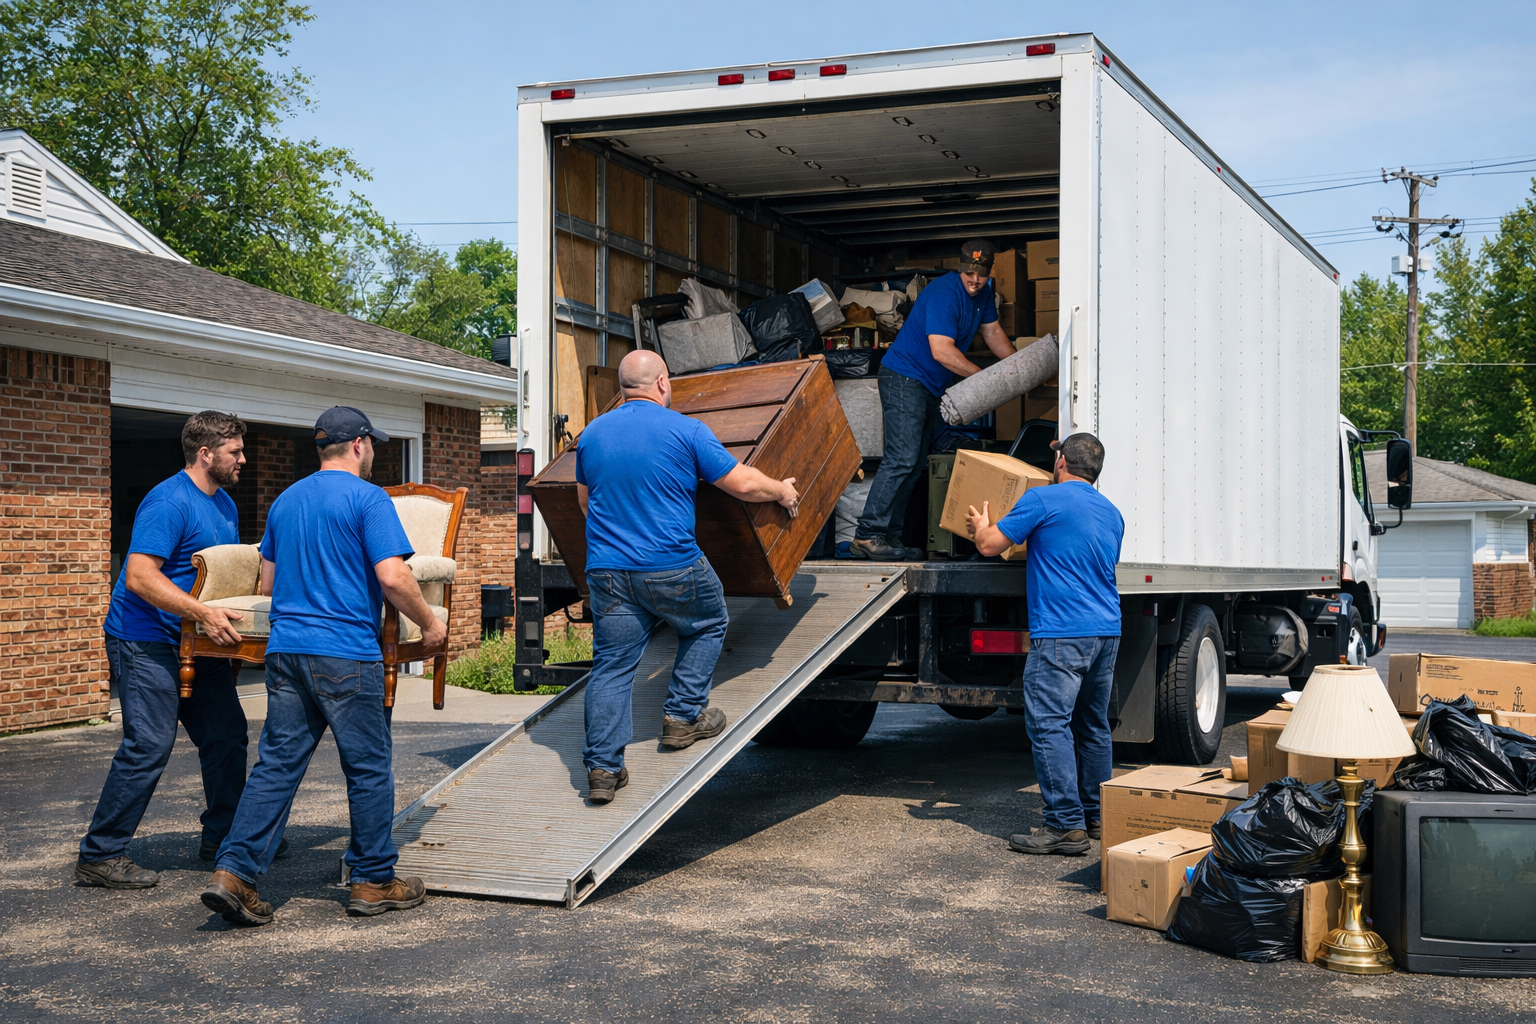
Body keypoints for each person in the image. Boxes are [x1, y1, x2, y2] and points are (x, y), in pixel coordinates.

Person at [199, 406, 446, 925]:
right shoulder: (368, 498)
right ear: (358, 444)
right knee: (368, 766)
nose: (374, 451)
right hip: (346, 654)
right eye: (372, 443)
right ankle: (374, 881)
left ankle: (235, 873)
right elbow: (395, 578)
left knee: (277, 765)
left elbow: (267, 586)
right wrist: (430, 624)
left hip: (287, 653)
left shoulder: (287, 502)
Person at [575, 350, 800, 804]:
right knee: (708, 621)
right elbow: (742, 484)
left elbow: (585, 503)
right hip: (670, 566)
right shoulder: (685, 429)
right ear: (661, 384)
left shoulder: (591, 435)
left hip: (607, 571)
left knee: (612, 666)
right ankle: (682, 718)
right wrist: (782, 490)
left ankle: (603, 769)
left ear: (622, 388)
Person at [76, 411, 279, 890]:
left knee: (227, 735)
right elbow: (140, 576)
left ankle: (223, 837)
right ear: (205, 454)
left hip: (195, 643)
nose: (243, 460)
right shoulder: (169, 502)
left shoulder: (224, 504)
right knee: (148, 745)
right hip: (145, 639)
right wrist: (202, 613)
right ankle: (100, 854)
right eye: (235, 452)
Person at [966, 433, 1124, 856]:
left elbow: (989, 545)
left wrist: (982, 526)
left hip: (1061, 632)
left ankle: (1063, 826)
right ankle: (1095, 818)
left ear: (1061, 463)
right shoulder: (1112, 513)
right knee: (1092, 725)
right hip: (1106, 632)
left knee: (1049, 723)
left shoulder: (1043, 499)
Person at [849, 238, 1016, 561]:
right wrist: (986, 379)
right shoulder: (943, 292)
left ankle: (890, 538)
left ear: (988, 272)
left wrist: (1018, 368)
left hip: (928, 386)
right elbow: (942, 351)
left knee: (913, 466)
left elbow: (993, 334)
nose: (975, 281)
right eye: (969, 275)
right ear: (960, 268)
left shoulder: (983, 295)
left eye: (980, 275)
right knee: (901, 459)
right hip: (904, 378)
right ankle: (867, 534)